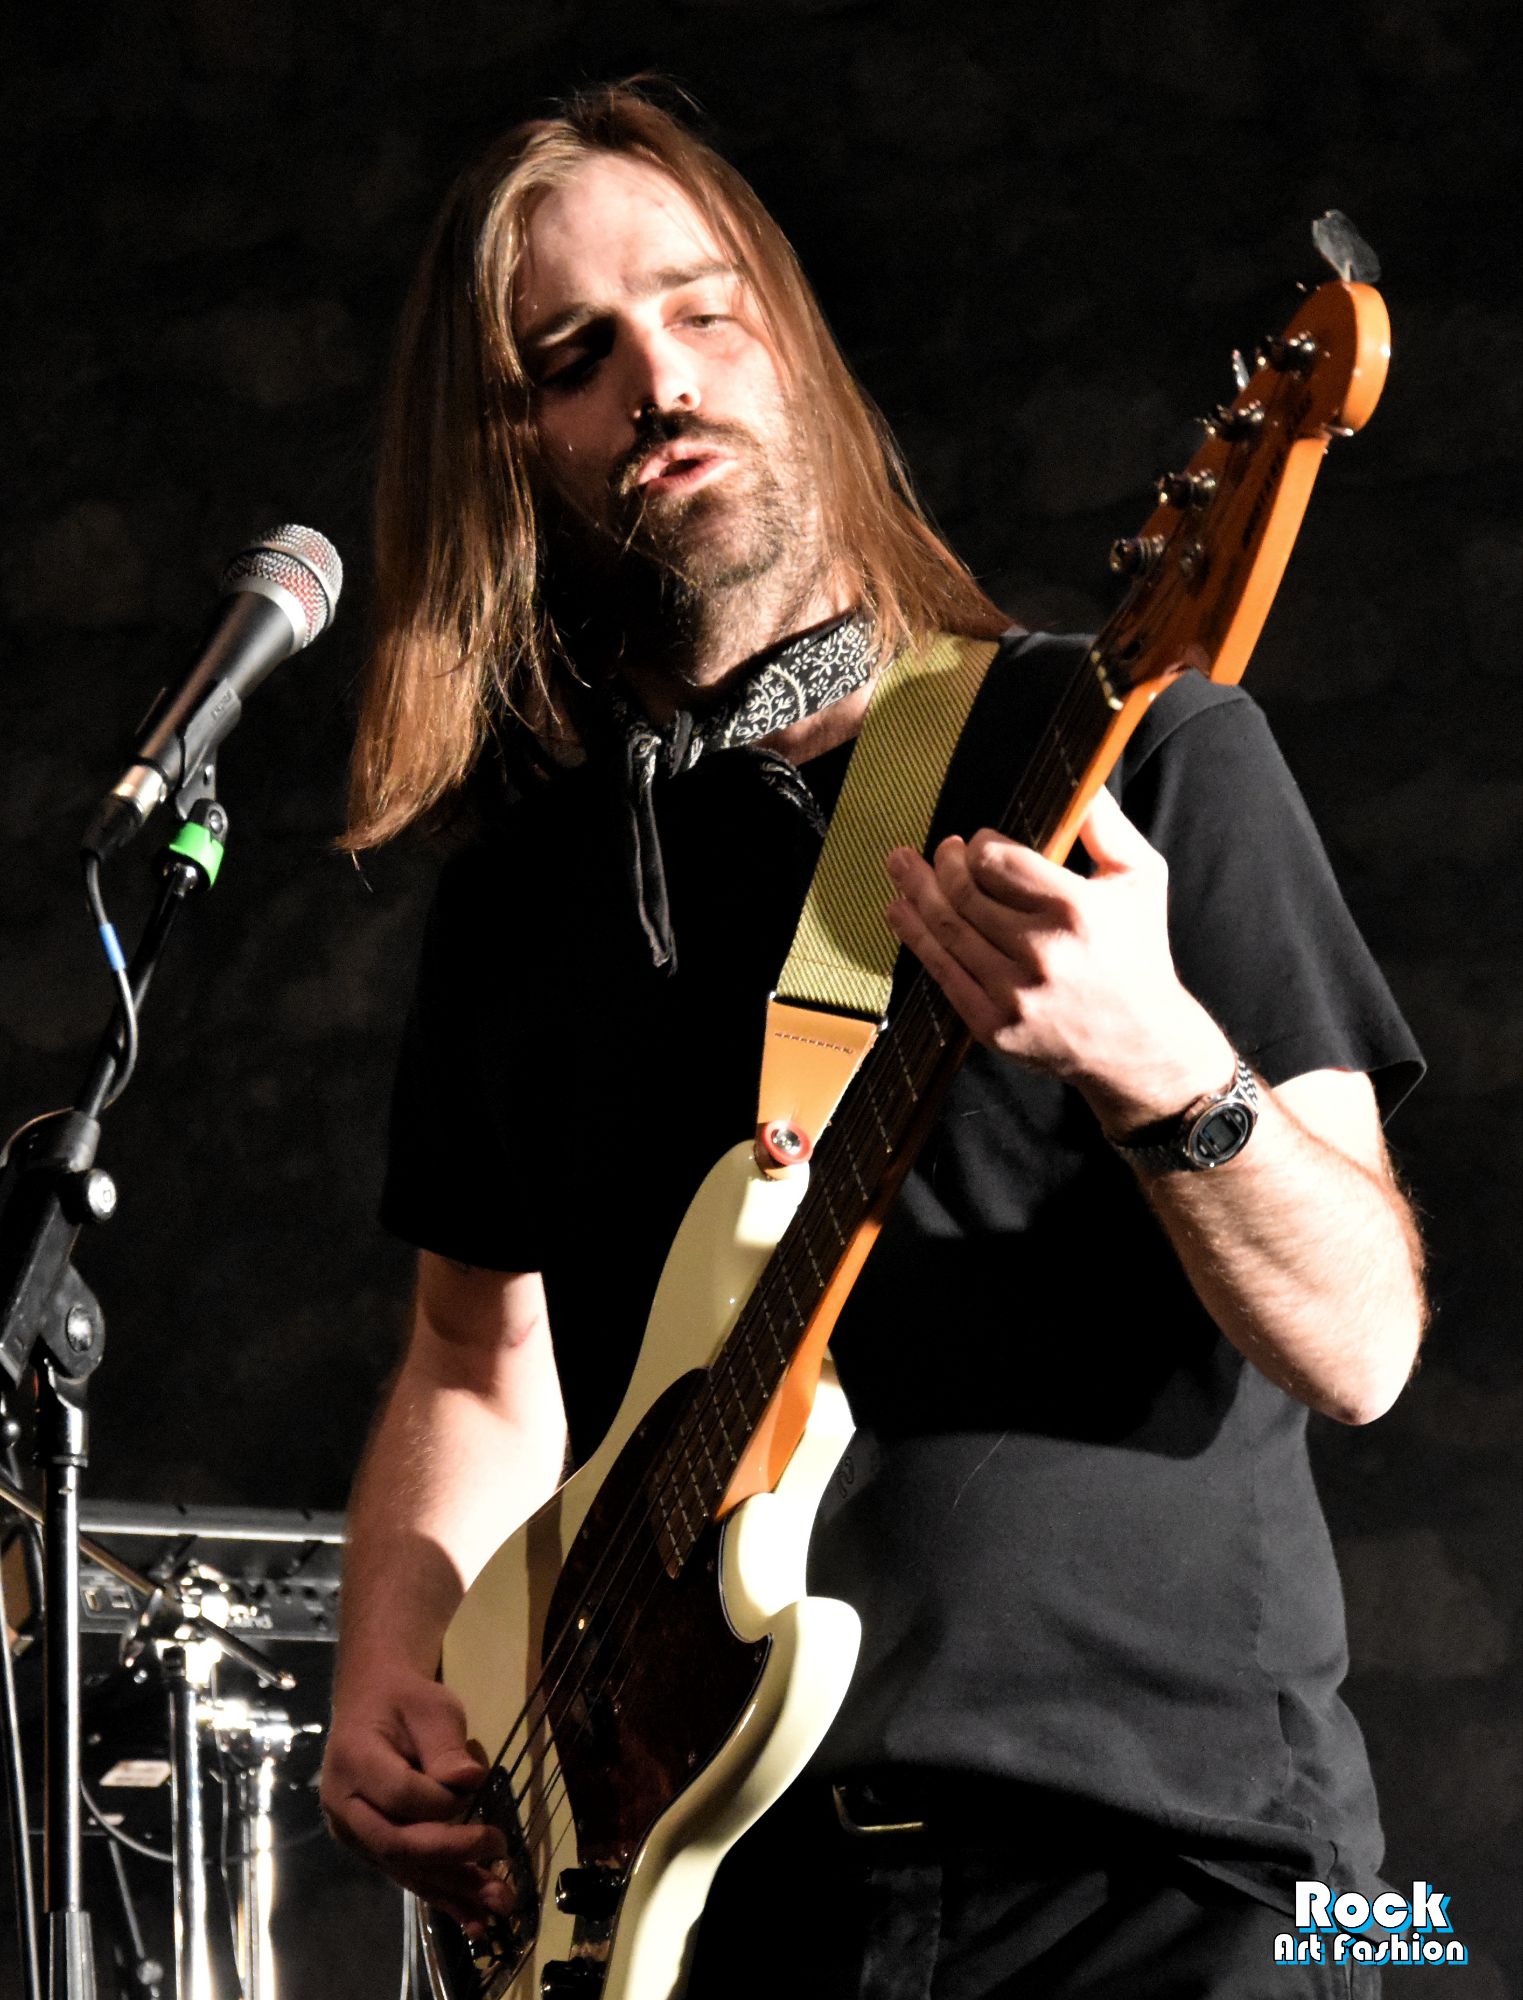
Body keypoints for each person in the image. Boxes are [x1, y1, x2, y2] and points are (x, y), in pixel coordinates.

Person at [320, 82, 1427, 1998]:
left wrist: (1161, 1062)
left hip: (1163, 1880)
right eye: (577, 360)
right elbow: (476, 1363)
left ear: (796, 345)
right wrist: (389, 1659)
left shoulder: (1126, 760)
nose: (660, 381)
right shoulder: (523, 906)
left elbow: (1365, 1341)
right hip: (716, 1906)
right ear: (509, 454)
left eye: (704, 308)